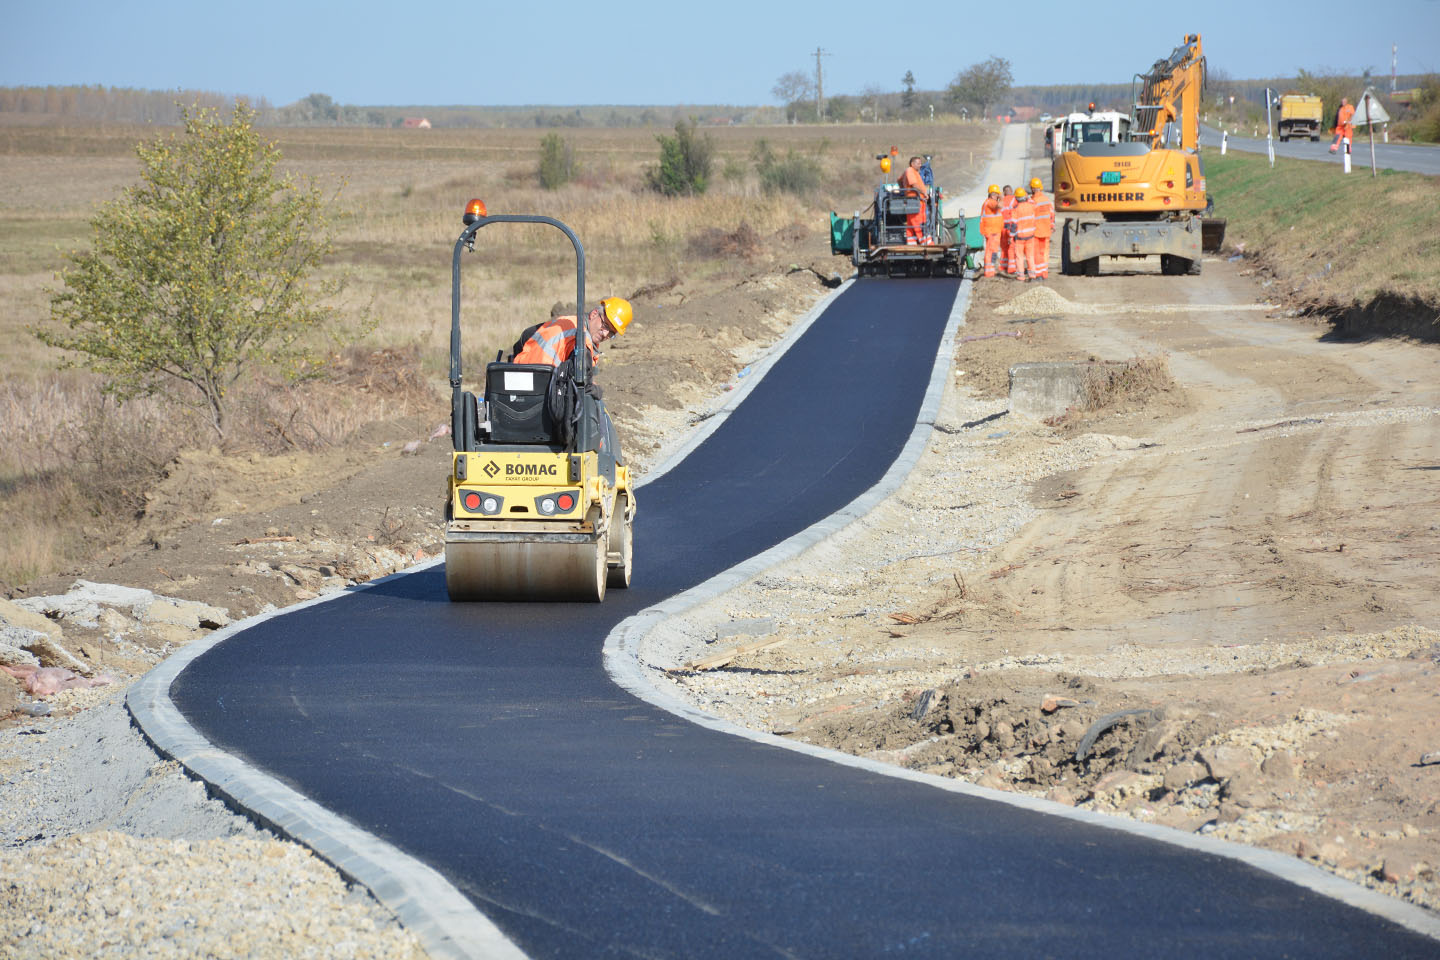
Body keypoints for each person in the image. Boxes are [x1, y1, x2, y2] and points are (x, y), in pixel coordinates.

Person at [511, 296, 633, 472]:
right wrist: (597, 391)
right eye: (606, 326)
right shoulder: (580, 339)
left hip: (518, 396)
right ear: (593, 315)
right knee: (594, 401)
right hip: (542, 401)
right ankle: (603, 466)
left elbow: (523, 339)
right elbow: (584, 381)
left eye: (611, 333)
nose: (606, 334)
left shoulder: (564, 323)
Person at [897, 156, 930, 244]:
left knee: (911, 223)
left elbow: (899, 180)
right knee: (918, 222)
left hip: (912, 200)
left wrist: (903, 190)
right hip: (915, 201)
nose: (920, 165)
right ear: (912, 164)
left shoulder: (908, 171)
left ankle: (912, 242)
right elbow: (914, 184)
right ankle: (925, 242)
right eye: (918, 163)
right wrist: (925, 192)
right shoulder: (910, 171)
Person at [1027, 177, 1055, 281]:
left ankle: (1038, 274)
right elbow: (1052, 215)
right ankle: (1044, 273)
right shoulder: (1046, 200)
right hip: (1046, 231)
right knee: (1045, 253)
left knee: (1036, 253)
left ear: (1033, 188)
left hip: (1036, 232)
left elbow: (1029, 216)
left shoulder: (1033, 201)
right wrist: (1052, 226)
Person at [1010, 188, 1037, 282]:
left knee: (1019, 257)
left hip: (1020, 237)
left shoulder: (1016, 209)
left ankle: (1021, 276)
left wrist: (1011, 236)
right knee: (1030, 256)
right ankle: (1032, 275)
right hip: (1030, 235)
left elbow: (1013, 224)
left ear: (1016, 198)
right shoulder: (1031, 206)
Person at [978, 185, 1004, 279]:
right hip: (992, 231)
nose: (996, 196)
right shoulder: (990, 202)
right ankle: (989, 272)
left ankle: (990, 270)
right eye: (995, 194)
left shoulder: (989, 202)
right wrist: (1001, 197)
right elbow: (1000, 205)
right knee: (991, 251)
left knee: (993, 251)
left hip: (993, 231)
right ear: (991, 194)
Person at [999, 185, 1017, 275]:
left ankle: (1003, 266)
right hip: (1010, 227)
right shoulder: (1014, 199)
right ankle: (1011, 268)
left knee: (1003, 248)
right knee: (1011, 248)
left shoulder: (1001, 201)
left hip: (1002, 228)